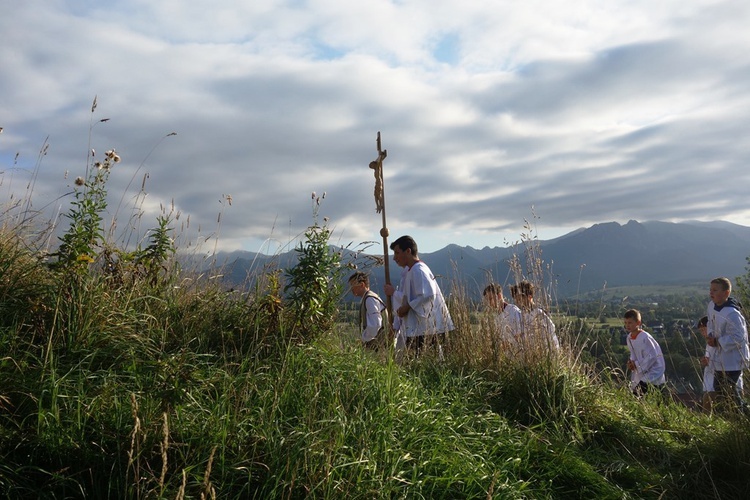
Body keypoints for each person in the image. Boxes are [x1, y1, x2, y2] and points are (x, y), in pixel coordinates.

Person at [383, 235, 454, 355]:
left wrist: (407, 307)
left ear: (408, 251)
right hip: (419, 330)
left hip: (426, 329)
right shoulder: (411, 270)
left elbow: (428, 295)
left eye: (397, 253)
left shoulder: (418, 270)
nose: (394, 258)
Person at [706, 277, 750, 410]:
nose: (711, 293)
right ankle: (732, 416)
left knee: (729, 391)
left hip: (732, 359)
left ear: (726, 293)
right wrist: (710, 336)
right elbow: (710, 323)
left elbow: (738, 337)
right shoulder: (711, 306)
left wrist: (719, 341)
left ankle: (742, 414)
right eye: (710, 289)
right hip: (719, 358)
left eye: (715, 290)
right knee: (720, 390)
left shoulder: (732, 313)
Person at [623, 309, 666, 397]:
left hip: (653, 372)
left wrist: (637, 365)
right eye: (626, 323)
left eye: (630, 323)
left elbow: (652, 356)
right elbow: (633, 354)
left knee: (639, 395)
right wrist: (631, 363)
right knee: (637, 396)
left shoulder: (645, 337)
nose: (627, 325)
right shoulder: (629, 338)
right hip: (640, 372)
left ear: (638, 323)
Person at [509, 281, 560, 351]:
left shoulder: (538, 312)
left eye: (520, 298)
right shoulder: (521, 314)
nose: (517, 301)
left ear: (529, 297)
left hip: (547, 350)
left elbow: (551, 329)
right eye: (516, 298)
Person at [348, 271, 387, 350]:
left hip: (379, 345)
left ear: (362, 284)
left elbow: (376, 324)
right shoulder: (370, 297)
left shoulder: (369, 299)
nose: (351, 289)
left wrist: (364, 339)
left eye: (353, 285)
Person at [697, 316, 716, 411]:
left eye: (703, 330)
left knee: (707, 408)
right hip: (709, 383)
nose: (703, 333)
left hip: (715, 383)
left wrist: (709, 361)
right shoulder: (708, 344)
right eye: (701, 331)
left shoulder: (717, 341)